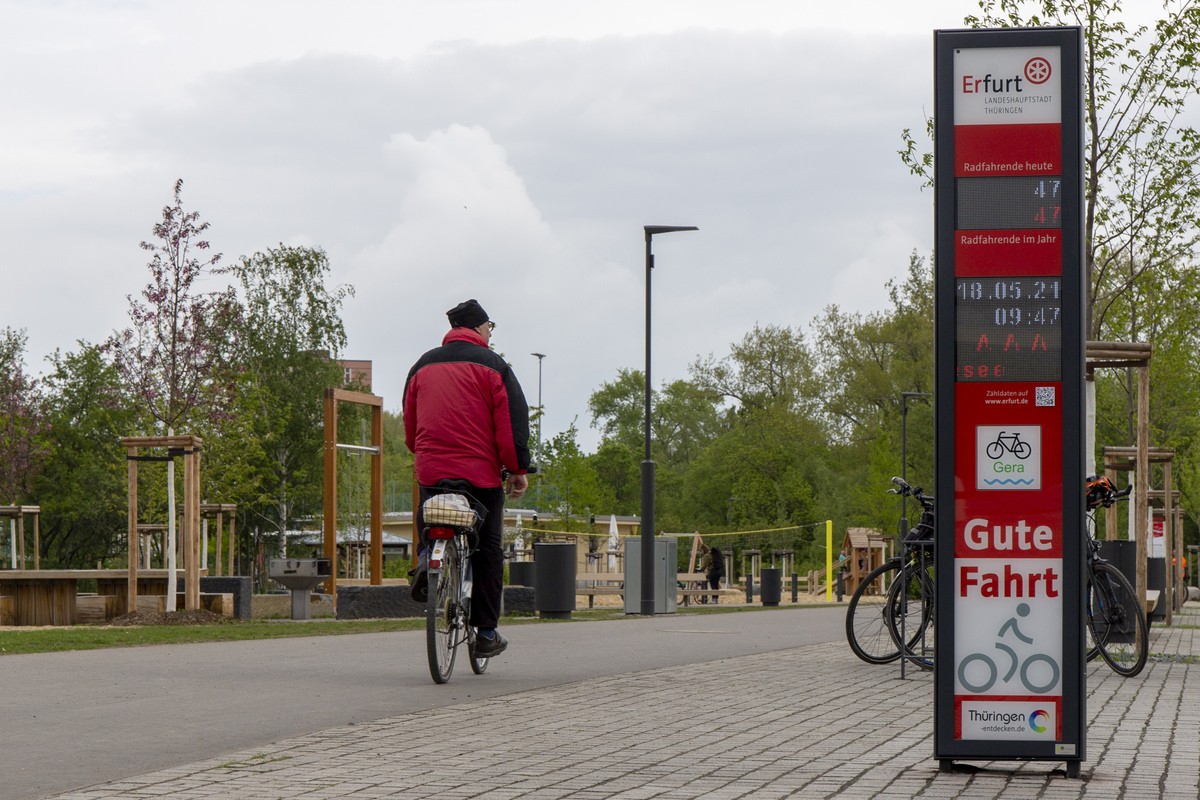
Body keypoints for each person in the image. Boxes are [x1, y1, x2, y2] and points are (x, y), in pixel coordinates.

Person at [404, 298, 532, 658]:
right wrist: (518, 470)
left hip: (432, 468)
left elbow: (411, 430)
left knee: (429, 513)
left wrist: (426, 451)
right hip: (480, 474)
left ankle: (427, 558)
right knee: (488, 548)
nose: (491, 332)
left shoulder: (421, 366)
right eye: (490, 326)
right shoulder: (494, 366)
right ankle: (486, 633)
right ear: (479, 328)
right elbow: (511, 426)